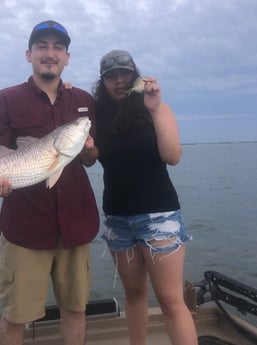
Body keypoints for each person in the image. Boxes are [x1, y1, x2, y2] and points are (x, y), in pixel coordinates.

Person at [0, 20, 99, 345]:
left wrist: (89, 150)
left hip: (76, 223)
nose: (50, 53)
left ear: (67, 57)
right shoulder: (4, 101)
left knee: (75, 310)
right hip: (25, 228)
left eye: (57, 47)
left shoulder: (85, 100)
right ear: (28, 54)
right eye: (42, 46)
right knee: (15, 316)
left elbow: (91, 159)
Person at [93, 50, 198, 345]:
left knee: (170, 300)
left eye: (125, 74)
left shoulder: (157, 108)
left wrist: (153, 108)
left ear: (135, 75)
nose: (119, 81)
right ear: (103, 82)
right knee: (134, 295)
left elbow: (173, 156)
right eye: (111, 76)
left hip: (159, 216)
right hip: (117, 218)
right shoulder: (98, 116)